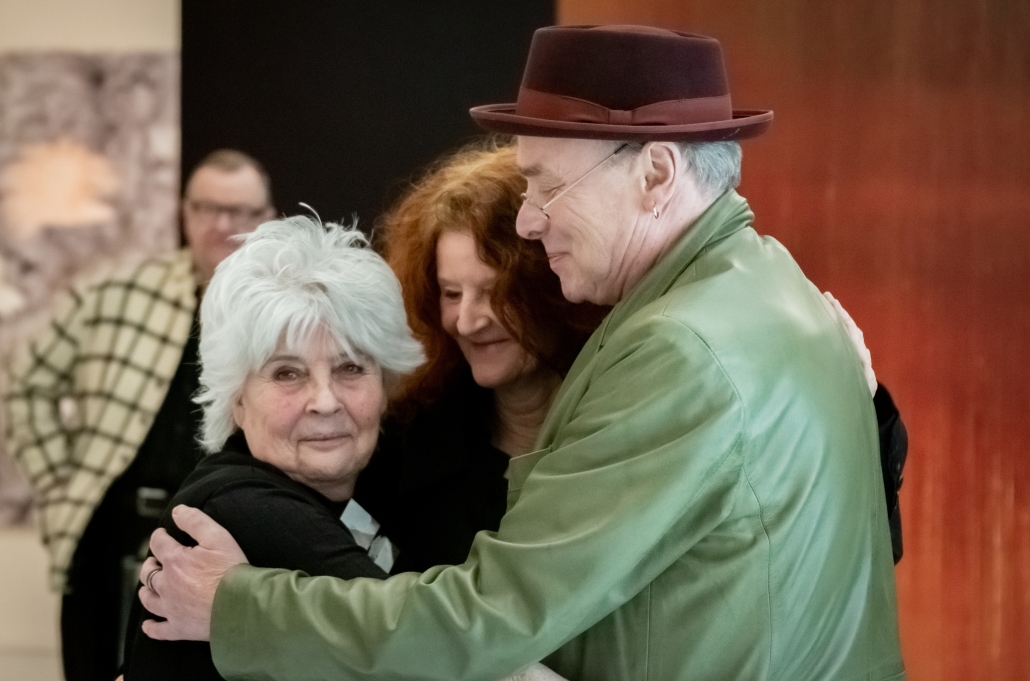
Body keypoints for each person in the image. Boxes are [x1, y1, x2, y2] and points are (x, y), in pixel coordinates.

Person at [139, 26, 905, 681]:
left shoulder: (680, 346)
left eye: (546, 186)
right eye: (285, 371)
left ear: (656, 172)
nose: (531, 221)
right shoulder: (777, 288)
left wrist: (236, 605)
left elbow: (491, 617)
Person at [4, 149, 275, 681]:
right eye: (207, 208)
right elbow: (26, 385)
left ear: (266, 217)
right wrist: (60, 485)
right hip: (110, 530)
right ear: (184, 212)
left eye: (241, 211)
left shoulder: (280, 313)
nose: (223, 224)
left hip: (221, 535)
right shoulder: (118, 293)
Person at [120, 216, 424, 680]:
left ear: (385, 385)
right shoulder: (242, 507)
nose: (325, 401)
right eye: (287, 373)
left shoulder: (361, 486)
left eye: (350, 367)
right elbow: (428, 651)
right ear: (237, 400)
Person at [354, 141, 607, 572]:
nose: (467, 321)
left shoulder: (616, 426)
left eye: (494, 293)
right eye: (451, 293)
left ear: (554, 286)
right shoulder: (404, 441)